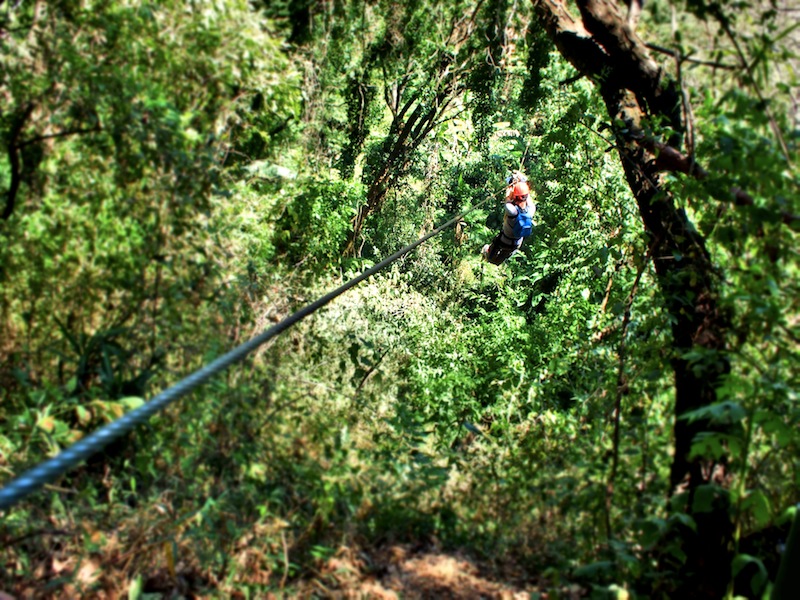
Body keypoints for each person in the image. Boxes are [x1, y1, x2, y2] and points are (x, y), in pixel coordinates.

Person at [482, 173, 535, 265]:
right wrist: (521, 182)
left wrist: (510, 186)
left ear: (515, 196)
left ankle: (488, 255)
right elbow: (526, 197)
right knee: (503, 256)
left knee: (491, 250)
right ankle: (497, 262)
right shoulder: (531, 209)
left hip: (504, 240)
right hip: (517, 243)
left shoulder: (512, 210)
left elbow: (507, 198)